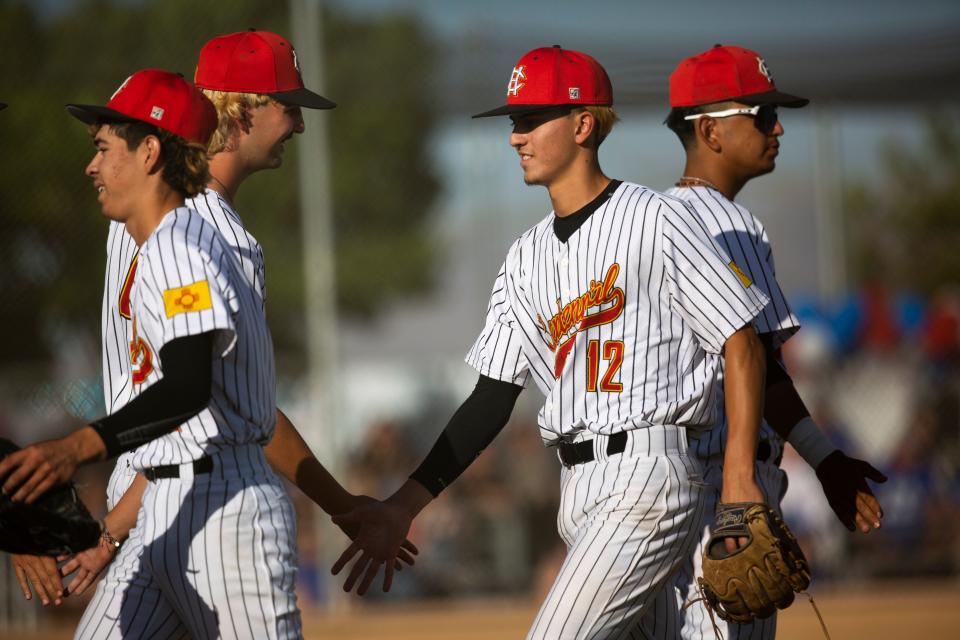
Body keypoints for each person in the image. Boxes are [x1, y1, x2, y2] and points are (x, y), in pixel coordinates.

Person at [330, 45, 772, 638]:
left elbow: (741, 341)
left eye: (532, 119)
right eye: (515, 122)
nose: (517, 136)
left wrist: (741, 480)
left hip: (648, 477)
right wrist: (404, 506)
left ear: (584, 123)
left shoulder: (657, 218)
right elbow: (490, 398)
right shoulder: (525, 257)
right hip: (580, 491)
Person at [7, 30, 413, 626]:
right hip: (191, 492)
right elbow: (222, 406)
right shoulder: (198, 230)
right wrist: (342, 506)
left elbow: (199, 399)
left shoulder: (144, 219)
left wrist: (105, 515)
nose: (298, 124)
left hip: (167, 485)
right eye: (288, 105)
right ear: (243, 110)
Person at [638, 44, 888, 639]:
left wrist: (824, 460)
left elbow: (761, 365)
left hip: (669, 487)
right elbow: (760, 365)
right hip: (723, 493)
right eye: (760, 114)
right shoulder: (727, 224)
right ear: (711, 130)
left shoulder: (652, 224)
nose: (777, 128)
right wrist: (811, 465)